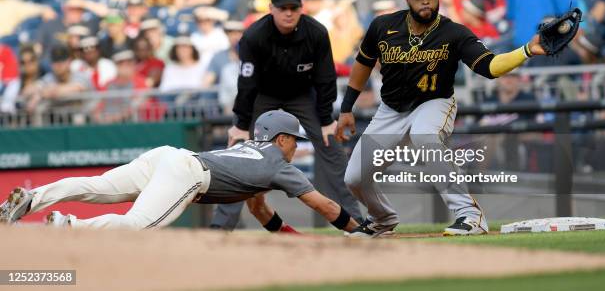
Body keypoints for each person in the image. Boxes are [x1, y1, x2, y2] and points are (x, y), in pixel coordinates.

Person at [335, 0, 570, 237]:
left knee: (426, 137)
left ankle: (470, 216)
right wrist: (346, 109)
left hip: (434, 102)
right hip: (391, 109)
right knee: (354, 177)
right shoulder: (383, 26)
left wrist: (526, 50)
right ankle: (382, 219)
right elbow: (363, 64)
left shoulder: (453, 32)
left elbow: (490, 67)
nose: (425, 1)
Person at [0, 110, 360, 234]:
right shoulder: (279, 164)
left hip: (168, 158)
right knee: (138, 225)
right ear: (281, 138)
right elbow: (323, 205)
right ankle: (68, 227)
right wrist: (358, 228)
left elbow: (258, 207)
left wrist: (285, 232)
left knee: (97, 185)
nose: (296, 146)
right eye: (293, 140)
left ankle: (33, 198)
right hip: (189, 172)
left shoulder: (247, 151)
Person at [214, 0, 361, 230]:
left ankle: (359, 223)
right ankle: (221, 228)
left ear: (302, 8)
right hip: (263, 94)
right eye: (283, 8)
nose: (288, 13)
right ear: (271, 8)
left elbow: (325, 78)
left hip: (302, 95)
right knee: (241, 150)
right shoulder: (253, 35)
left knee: (330, 145)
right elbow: (247, 83)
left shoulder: (316, 32)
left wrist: (326, 119)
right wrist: (240, 124)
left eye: (294, 7)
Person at [92, 50, 150, 124]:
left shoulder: (141, 81)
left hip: (131, 124)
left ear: (134, 63)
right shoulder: (108, 84)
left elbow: (138, 104)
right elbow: (98, 105)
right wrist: (100, 118)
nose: (125, 65)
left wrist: (115, 118)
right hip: (107, 125)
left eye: (129, 62)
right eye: (120, 62)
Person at [203, 20, 244, 114]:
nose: (235, 36)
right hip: (225, 103)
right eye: (230, 32)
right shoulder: (218, 56)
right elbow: (207, 82)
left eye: (238, 32)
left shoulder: (253, 55)